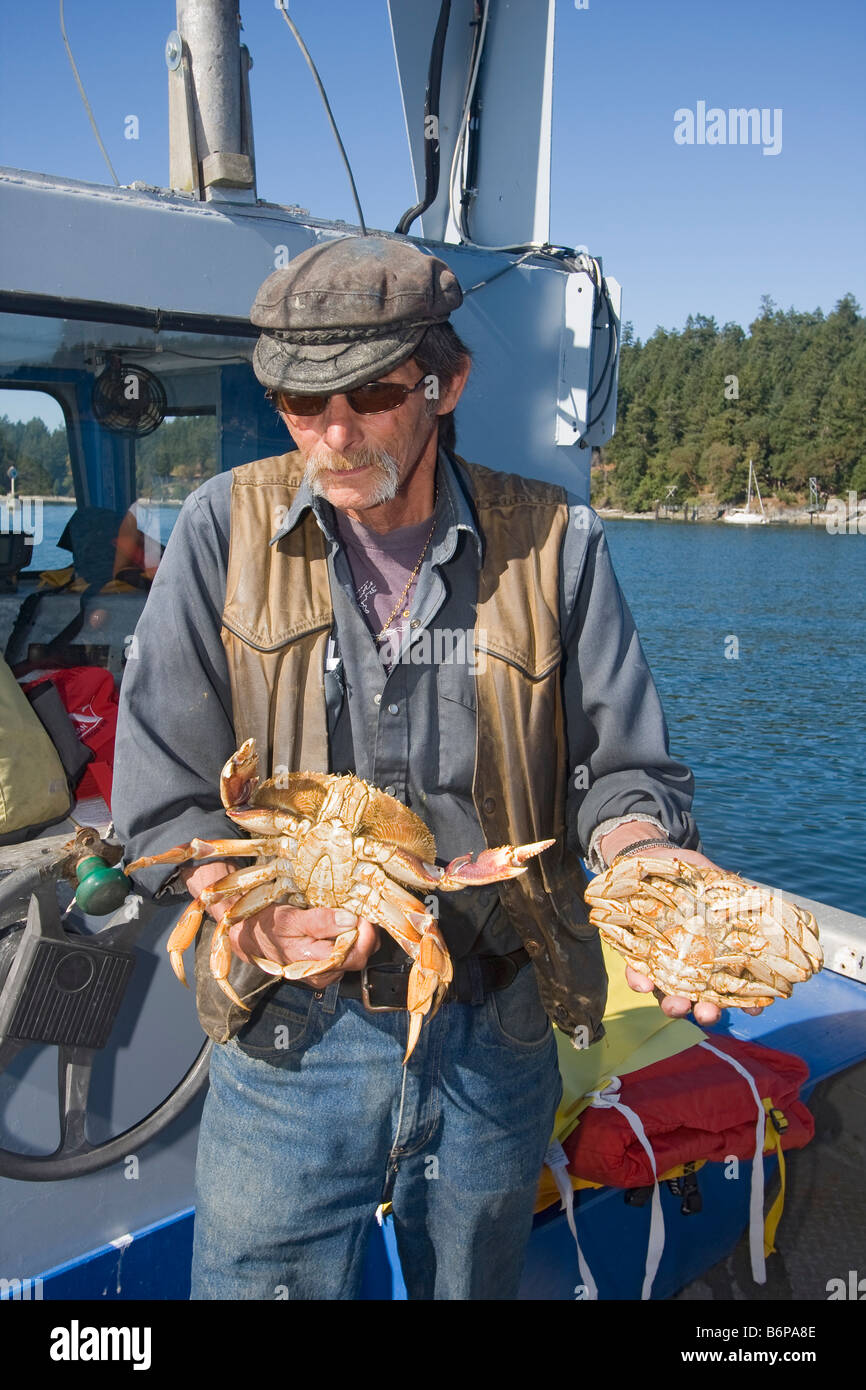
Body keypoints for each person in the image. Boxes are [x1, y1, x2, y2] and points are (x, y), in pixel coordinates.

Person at [113, 235, 748, 1301]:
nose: (333, 433)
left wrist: (644, 862)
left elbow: (624, 772)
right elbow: (163, 800)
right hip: (287, 1044)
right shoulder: (223, 530)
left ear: (444, 383)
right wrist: (238, 908)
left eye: (369, 393)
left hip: (491, 1030)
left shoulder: (552, 544)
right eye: (297, 401)